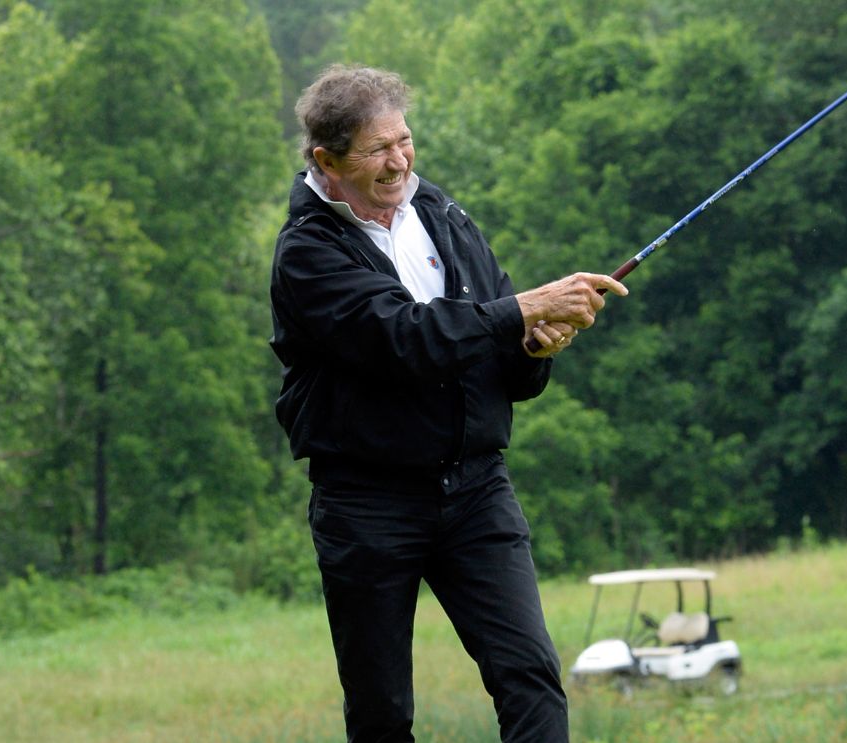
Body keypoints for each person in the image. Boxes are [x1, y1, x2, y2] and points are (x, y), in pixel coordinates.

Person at [268, 64, 627, 743]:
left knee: (528, 674)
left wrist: (533, 346)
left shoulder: (439, 212)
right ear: (326, 159)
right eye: (377, 149)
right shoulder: (307, 252)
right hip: (367, 502)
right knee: (381, 712)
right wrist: (516, 310)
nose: (398, 159)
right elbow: (405, 340)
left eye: (403, 140)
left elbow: (496, 342)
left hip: (475, 489)